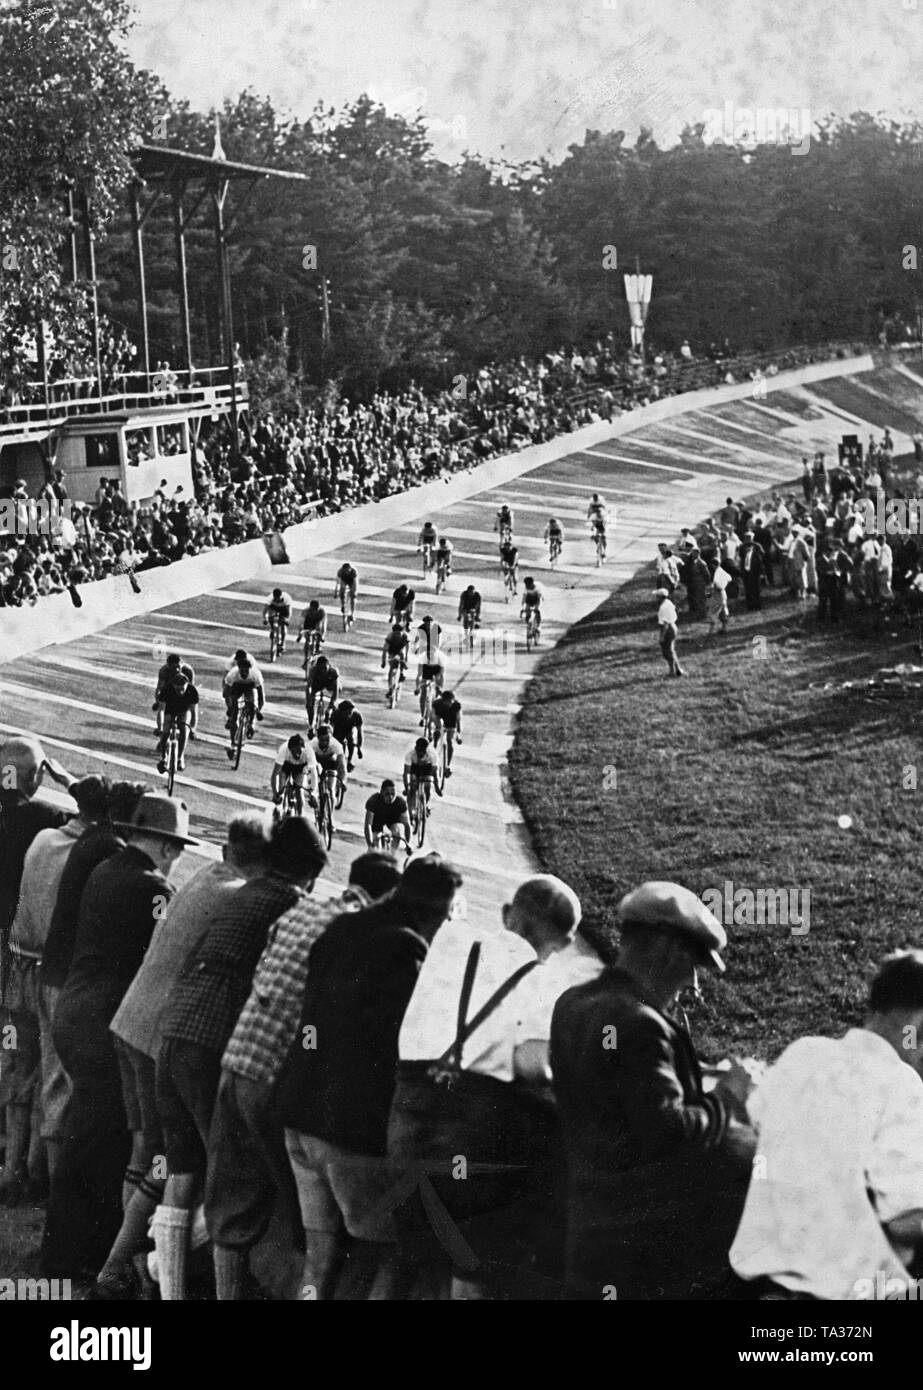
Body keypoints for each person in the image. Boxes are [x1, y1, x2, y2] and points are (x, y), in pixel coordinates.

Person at [209, 852, 401, 1304]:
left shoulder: (304, 909)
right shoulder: (358, 929)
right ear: (386, 896)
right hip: (280, 1078)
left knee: (233, 1197)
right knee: (310, 1221)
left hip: (238, 1056)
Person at [551, 881, 757, 1301]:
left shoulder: (573, 1002)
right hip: (643, 1245)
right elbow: (670, 1132)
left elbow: (611, 1086)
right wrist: (730, 1096)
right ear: (670, 952)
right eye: (695, 966)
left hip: (590, 1227)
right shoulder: (641, 1023)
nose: (695, 986)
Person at [388, 874, 587, 1299]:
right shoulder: (545, 984)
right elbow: (531, 1064)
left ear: (505, 914)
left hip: (405, 1118)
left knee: (414, 1261)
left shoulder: (450, 941)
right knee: (469, 1272)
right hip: (469, 1136)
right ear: (564, 944)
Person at [275, 853, 463, 1300]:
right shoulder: (405, 947)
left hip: (299, 1111)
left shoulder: (342, 928)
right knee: (385, 1250)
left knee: (318, 1257)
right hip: (347, 1130)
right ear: (437, 911)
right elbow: (407, 1040)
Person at [96, 814, 269, 1300]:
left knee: (144, 1154)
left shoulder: (205, 877)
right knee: (167, 1162)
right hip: (164, 1034)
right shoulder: (241, 896)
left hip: (133, 1018)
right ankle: (119, 1271)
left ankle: (123, 1265)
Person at [156, 817, 324, 1301]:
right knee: (227, 1175)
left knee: (181, 1166)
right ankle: (171, 1269)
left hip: (178, 1022)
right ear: (308, 873)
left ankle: (167, 1286)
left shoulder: (244, 894)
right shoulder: (291, 904)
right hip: (213, 1036)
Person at [52, 796, 195, 1278]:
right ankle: (81, 1253)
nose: (174, 856)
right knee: (105, 1138)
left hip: (75, 1007)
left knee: (86, 1130)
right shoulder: (153, 887)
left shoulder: (106, 868)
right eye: (172, 846)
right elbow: (170, 949)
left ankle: (66, 1245)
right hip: (104, 1018)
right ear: (155, 841)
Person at [731, 950, 923, 1301]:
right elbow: (906, 1223)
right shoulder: (903, 1084)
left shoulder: (804, 1052)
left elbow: (754, 1124)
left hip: (770, 1279)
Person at [1, 776, 105, 1207]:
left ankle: (12, 1168)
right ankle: (44, 1176)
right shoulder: (89, 855)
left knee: (16, 1067)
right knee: (54, 1075)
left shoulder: (44, 838)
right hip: (51, 974)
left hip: (16, 969)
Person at [0, 737, 75, 1205]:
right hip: (23, 952)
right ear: (36, 776)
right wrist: (65, 778)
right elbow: (96, 814)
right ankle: (25, 1166)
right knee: (36, 1061)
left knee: (11, 1055)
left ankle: (9, 1157)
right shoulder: (43, 821)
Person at [157, 670, 199, 773]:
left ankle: (180, 757)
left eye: (182, 689)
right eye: (177, 689)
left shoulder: (192, 691)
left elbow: (194, 713)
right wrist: (160, 728)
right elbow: (161, 710)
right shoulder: (166, 689)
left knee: (184, 728)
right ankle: (163, 757)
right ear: (173, 685)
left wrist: (193, 729)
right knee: (165, 732)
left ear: (187, 685)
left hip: (184, 710)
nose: (180, 691)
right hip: (170, 709)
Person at [223, 655, 265, 753]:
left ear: (250, 669)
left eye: (246, 671)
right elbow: (226, 694)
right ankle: (233, 742)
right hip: (236, 687)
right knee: (234, 713)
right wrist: (230, 708)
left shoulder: (255, 674)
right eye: (242, 671)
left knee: (251, 702)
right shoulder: (232, 674)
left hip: (250, 687)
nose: (244, 673)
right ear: (238, 669)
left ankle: (251, 723)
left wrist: (259, 710)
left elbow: (261, 695)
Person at [271, 734, 318, 817]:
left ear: (303, 748)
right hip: (285, 766)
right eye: (294, 751)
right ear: (289, 749)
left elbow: (312, 775)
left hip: (300, 768)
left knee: (299, 791)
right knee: (281, 789)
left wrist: (312, 794)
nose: (297, 754)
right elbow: (275, 774)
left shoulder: (309, 752)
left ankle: (300, 816)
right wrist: (275, 793)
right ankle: (278, 808)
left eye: (299, 751)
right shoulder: (283, 749)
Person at [153, 654, 196, 737]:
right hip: (169, 691)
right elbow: (159, 689)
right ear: (168, 666)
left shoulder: (188, 671)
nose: (176, 670)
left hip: (184, 693)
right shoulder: (164, 671)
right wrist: (157, 701)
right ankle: (160, 729)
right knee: (162, 708)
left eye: (178, 667)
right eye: (173, 667)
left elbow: (191, 691)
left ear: (182, 664)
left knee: (192, 709)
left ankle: (192, 730)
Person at [364, 779, 411, 853]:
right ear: (381, 792)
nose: (391, 797)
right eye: (387, 794)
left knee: (397, 832)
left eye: (393, 794)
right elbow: (368, 825)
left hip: (392, 820)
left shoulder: (401, 803)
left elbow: (407, 825)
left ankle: (392, 854)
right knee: (375, 844)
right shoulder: (373, 800)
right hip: (377, 820)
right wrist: (370, 845)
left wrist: (408, 844)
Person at [412, 615, 445, 715]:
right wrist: (417, 687)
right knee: (423, 692)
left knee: (439, 681)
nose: (428, 624)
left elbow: (439, 641)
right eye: (426, 623)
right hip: (426, 647)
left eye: (430, 623)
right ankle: (423, 715)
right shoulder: (421, 628)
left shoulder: (437, 628)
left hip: (434, 646)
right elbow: (419, 674)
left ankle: (439, 691)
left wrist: (440, 685)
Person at [311, 724, 348, 803]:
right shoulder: (312, 744)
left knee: (331, 789)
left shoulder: (336, 744)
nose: (325, 743)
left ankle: (330, 814)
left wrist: (343, 781)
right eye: (322, 740)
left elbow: (342, 765)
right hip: (318, 761)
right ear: (317, 738)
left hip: (331, 763)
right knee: (315, 776)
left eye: (327, 740)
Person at [305, 654, 340, 737]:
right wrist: (309, 699)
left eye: (325, 668)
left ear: (329, 666)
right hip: (316, 685)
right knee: (309, 705)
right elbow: (309, 686)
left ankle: (332, 725)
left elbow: (336, 691)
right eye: (320, 669)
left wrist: (331, 706)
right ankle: (311, 726)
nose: (323, 671)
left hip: (329, 683)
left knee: (335, 706)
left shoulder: (334, 672)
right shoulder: (313, 670)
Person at [404, 736, 442, 807]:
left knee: (428, 787)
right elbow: (406, 773)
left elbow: (435, 772)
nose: (420, 754)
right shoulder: (410, 755)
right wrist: (406, 788)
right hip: (414, 767)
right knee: (412, 787)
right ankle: (410, 807)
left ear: (427, 750)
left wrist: (437, 787)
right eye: (418, 751)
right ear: (415, 749)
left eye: (423, 751)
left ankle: (425, 805)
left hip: (427, 767)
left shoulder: (432, 754)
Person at [432, 689, 462, 777]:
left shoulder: (456, 705)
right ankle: (435, 745)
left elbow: (458, 720)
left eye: (451, 702)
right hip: (440, 718)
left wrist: (458, 735)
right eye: (447, 702)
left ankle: (447, 765)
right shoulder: (437, 704)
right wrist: (435, 728)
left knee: (450, 741)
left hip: (451, 722)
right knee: (438, 727)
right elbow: (433, 716)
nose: (449, 704)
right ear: (443, 701)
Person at [656, 587, 684, 677]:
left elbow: (665, 625)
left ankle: (672, 671)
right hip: (673, 626)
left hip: (668, 630)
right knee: (671, 650)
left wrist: (662, 637)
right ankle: (678, 669)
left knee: (667, 652)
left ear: (660, 597)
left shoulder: (663, 608)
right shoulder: (669, 603)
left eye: (657, 596)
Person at [330, 698, 364, 773]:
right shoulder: (336, 714)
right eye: (346, 713)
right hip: (338, 728)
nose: (348, 715)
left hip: (349, 729)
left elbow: (360, 733)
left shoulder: (357, 715)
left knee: (351, 738)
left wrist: (359, 748)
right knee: (337, 742)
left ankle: (350, 759)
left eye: (350, 712)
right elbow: (330, 730)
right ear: (341, 711)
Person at [381, 620, 410, 691]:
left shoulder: (405, 636)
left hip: (400, 651)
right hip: (392, 651)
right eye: (396, 633)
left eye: (399, 633)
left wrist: (406, 657)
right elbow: (385, 650)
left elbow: (407, 647)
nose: (397, 635)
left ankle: (402, 672)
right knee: (392, 667)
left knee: (402, 655)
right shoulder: (390, 636)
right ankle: (390, 688)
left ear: (402, 632)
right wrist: (383, 661)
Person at [334, 561, 358, 627]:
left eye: (348, 571)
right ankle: (343, 605)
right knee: (342, 591)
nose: (347, 572)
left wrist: (354, 592)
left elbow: (355, 584)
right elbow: (338, 583)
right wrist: (336, 591)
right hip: (344, 580)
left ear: (350, 569)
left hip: (352, 580)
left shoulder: (354, 571)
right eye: (345, 571)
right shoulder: (340, 571)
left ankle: (353, 613)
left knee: (353, 595)